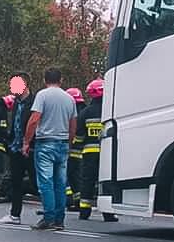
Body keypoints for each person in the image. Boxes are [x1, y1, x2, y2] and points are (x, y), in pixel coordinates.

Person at [22, 69, 77, 231]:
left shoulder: (42, 95)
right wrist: (69, 141)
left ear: (45, 80)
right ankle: (59, 220)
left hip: (45, 144)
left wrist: (26, 141)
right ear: (61, 79)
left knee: (46, 183)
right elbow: (73, 123)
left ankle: (48, 218)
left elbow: (34, 120)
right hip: (62, 143)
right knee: (60, 183)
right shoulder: (70, 99)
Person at [0, 73, 36, 225]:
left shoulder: (33, 102)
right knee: (16, 182)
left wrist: (29, 143)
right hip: (15, 147)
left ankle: (49, 212)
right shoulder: (16, 103)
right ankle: (15, 215)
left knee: (36, 181)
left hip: (30, 148)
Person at [78, 78, 117, 222]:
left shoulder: (85, 112)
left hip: (89, 154)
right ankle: (108, 213)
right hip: (108, 153)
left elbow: (79, 136)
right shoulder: (112, 110)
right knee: (106, 181)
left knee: (87, 181)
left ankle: (84, 210)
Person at [65, 87, 86, 212]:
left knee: (66, 176)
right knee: (77, 178)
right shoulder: (85, 111)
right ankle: (78, 201)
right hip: (83, 152)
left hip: (70, 150)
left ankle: (68, 200)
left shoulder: (70, 112)